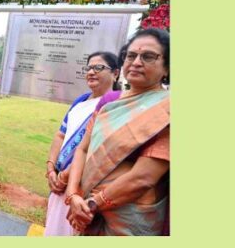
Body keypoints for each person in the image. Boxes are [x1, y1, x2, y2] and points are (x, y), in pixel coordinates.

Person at [64, 28, 170, 236]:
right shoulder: (109, 103)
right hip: (85, 210)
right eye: (131, 55)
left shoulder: (167, 108)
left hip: (130, 219)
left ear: (167, 67)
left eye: (148, 56)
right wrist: (73, 196)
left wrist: (92, 204)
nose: (136, 62)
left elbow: (144, 177)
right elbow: (82, 150)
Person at [44, 51, 119, 236]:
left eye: (99, 67)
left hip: (82, 190)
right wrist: (51, 169)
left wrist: (65, 177)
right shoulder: (81, 101)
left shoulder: (116, 104)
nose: (92, 71)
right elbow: (61, 136)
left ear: (116, 73)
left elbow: (100, 152)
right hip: (59, 184)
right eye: (89, 67)